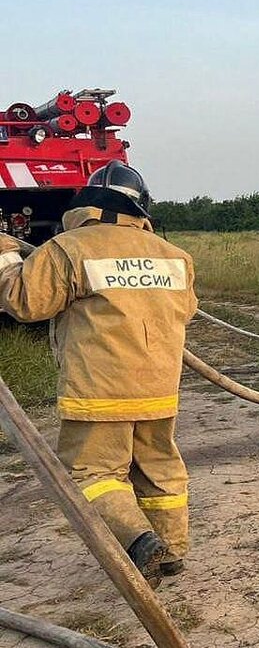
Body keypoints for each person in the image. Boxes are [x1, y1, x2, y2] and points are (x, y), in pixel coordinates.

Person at [0, 161, 198, 588]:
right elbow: (187, 311)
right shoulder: (176, 256)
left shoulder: (69, 247)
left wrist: (3, 256)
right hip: (159, 389)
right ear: (141, 208)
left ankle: (139, 540)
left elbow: (23, 302)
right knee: (159, 469)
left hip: (98, 391)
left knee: (90, 474)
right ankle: (171, 550)